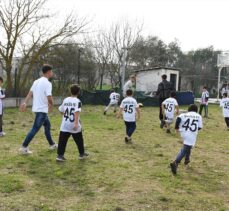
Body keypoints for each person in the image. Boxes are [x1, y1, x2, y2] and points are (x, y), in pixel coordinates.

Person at [19, 64, 57, 154]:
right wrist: (52, 105)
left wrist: (25, 102)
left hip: (37, 109)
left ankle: (52, 144)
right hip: (42, 110)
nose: (52, 73)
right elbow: (49, 97)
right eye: (51, 71)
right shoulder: (48, 83)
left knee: (47, 126)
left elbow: (30, 93)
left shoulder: (36, 81)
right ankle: (24, 147)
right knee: (35, 128)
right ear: (48, 72)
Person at [56, 84, 89, 161]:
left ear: (70, 91)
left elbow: (61, 110)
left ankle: (60, 156)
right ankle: (81, 154)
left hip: (65, 124)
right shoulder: (78, 101)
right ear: (78, 92)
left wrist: (65, 115)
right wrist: (76, 123)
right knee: (79, 139)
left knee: (62, 141)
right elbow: (77, 112)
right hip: (73, 124)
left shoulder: (66, 99)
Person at [170, 104, 203, 175]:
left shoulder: (183, 115)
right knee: (185, 149)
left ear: (188, 109)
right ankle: (175, 162)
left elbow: (177, 121)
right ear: (196, 110)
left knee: (188, 146)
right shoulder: (198, 116)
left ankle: (187, 160)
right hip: (191, 134)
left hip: (183, 132)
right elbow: (199, 127)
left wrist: (177, 130)